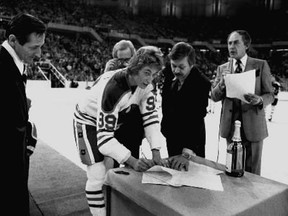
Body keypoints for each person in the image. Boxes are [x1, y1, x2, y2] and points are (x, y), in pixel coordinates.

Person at [73, 45, 168, 216]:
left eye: (154, 74)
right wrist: (132, 160)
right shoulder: (113, 88)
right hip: (87, 120)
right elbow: (104, 139)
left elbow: (151, 118)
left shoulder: (146, 85)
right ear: (136, 66)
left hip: (113, 121)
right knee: (97, 175)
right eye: (147, 72)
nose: (150, 79)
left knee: (114, 172)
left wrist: (156, 151)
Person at [211, 30, 274, 175]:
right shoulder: (222, 69)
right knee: (232, 169)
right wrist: (222, 83)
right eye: (229, 43)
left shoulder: (260, 65)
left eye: (236, 42)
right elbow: (214, 97)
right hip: (230, 128)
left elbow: (270, 94)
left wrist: (260, 100)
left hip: (253, 128)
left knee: (252, 174)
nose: (231, 46)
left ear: (246, 45)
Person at [1, 13, 46, 215]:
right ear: (13, 40)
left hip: (15, 158)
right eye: (34, 47)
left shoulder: (16, 61)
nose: (39, 53)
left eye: (41, 46)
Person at [160, 42, 211, 171]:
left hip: (190, 143)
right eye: (173, 66)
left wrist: (186, 153)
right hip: (171, 138)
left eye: (181, 67)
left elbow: (197, 118)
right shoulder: (169, 74)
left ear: (191, 64)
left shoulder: (201, 83)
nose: (176, 71)